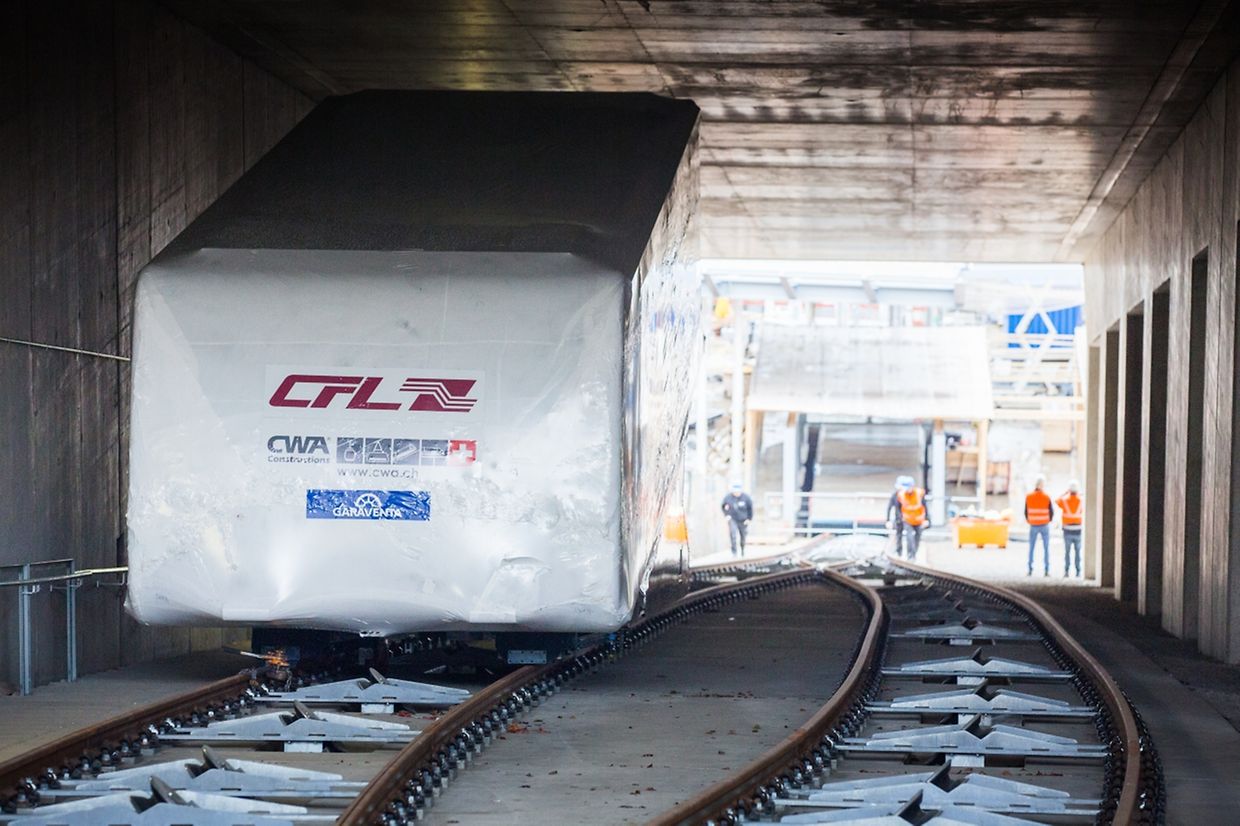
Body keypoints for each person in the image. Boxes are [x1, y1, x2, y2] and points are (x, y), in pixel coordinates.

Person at [1025, 475, 1054, 576]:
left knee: (1031, 548)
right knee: (1046, 548)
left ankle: (1030, 569)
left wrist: (1030, 520)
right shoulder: (1047, 497)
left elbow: (1026, 511)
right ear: (1042, 485)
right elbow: (1051, 512)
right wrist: (1048, 520)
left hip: (1033, 525)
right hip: (1044, 525)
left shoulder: (1029, 497)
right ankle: (1046, 570)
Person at [895, 477, 928, 560]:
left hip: (918, 519)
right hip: (907, 520)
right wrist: (900, 517)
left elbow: (925, 506)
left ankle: (914, 553)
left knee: (917, 537)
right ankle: (910, 556)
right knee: (909, 537)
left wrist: (927, 519)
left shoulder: (919, 494)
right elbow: (898, 507)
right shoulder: (901, 495)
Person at [1056, 480, 1084, 577]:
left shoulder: (1064, 500)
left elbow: (1057, 500)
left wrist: (1065, 492)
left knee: (1067, 552)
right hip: (1078, 530)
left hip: (1067, 530)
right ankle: (1078, 571)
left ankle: (1066, 571)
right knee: (1077, 552)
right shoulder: (1081, 500)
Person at [720, 482, 754, 557]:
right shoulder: (728, 498)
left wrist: (749, 519)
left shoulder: (746, 498)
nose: (736, 493)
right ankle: (734, 552)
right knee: (733, 534)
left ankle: (742, 549)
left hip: (743, 520)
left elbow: (750, 509)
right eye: (735, 491)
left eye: (738, 491)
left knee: (743, 536)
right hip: (732, 519)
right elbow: (723, 506)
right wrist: (726, 515)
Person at [886, 476, 911, 557]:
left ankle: (910, 554)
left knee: (909, 536)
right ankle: (899, 553)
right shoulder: (895, 495)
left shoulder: (910, 496)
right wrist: (888, 520)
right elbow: (889, 507)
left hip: (908, 520)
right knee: (898, 536)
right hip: (899, 520)